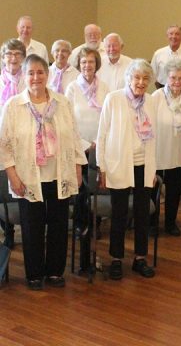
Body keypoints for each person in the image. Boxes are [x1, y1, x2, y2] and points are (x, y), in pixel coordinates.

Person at [0, 54, 87, 290]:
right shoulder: (14, 106)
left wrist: (78, 168)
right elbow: (4, 144)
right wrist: (12, 176)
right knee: (32, 226)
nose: (36, 77)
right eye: (31, 73)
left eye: (40, 72)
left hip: (59, 173)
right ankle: (35, 274)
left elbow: (74, 137)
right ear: (24, 76)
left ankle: (55, 272)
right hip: (28, 177)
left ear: (47, 75)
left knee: (59, 224)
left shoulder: (62, 102)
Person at [97, 59, 157, 279]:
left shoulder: (150, 101)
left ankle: (140, 258)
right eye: (136, 77)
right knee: (119, 213)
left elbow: (154, 136)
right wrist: (101, 167)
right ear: (128, 78)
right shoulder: (114, 99)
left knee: (142, 214)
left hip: (143, 164)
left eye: (145, 79)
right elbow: (101, 135)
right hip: (119, 165)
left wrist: (154, 168)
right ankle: (116, 259)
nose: (140, 82)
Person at [65, 47, 108, 268]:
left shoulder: (105, 88)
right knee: (81, 193)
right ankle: (81, 229)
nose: (87, 66)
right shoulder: (72, 88)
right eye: (83, 62)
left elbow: (107, 119)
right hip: (78, 147)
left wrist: (97, 144)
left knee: (96, 189)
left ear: (96, 64)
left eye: (90, 62)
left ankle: (95, 225)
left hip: (99, 146)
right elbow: (68, 120)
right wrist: (83, 145)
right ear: (79, 64)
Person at [152, 59, 181, 236]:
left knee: (174, 188)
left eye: (180, 78)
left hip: (179, 150)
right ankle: (152, 222)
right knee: (154, 188)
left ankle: (170, 222)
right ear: (166, 77)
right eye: (173, 78)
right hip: (159, 148)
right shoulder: (156, 96)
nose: (177, 82)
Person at [0, 38, 26, 249]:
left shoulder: (30, 80)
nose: (13, 58)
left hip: (24, 142)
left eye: (18, 54)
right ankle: (7, 229)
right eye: (9, 54)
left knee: (21, 185)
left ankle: (25, 225)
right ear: (3, 58)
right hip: (1, 141)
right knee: (1, 190)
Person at [151, 25, 181, 90]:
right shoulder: (158, 54)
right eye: (171, 34)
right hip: (163, 89)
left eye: (177, 34)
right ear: (167, 36)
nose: (174, 36)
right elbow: (152, 75)